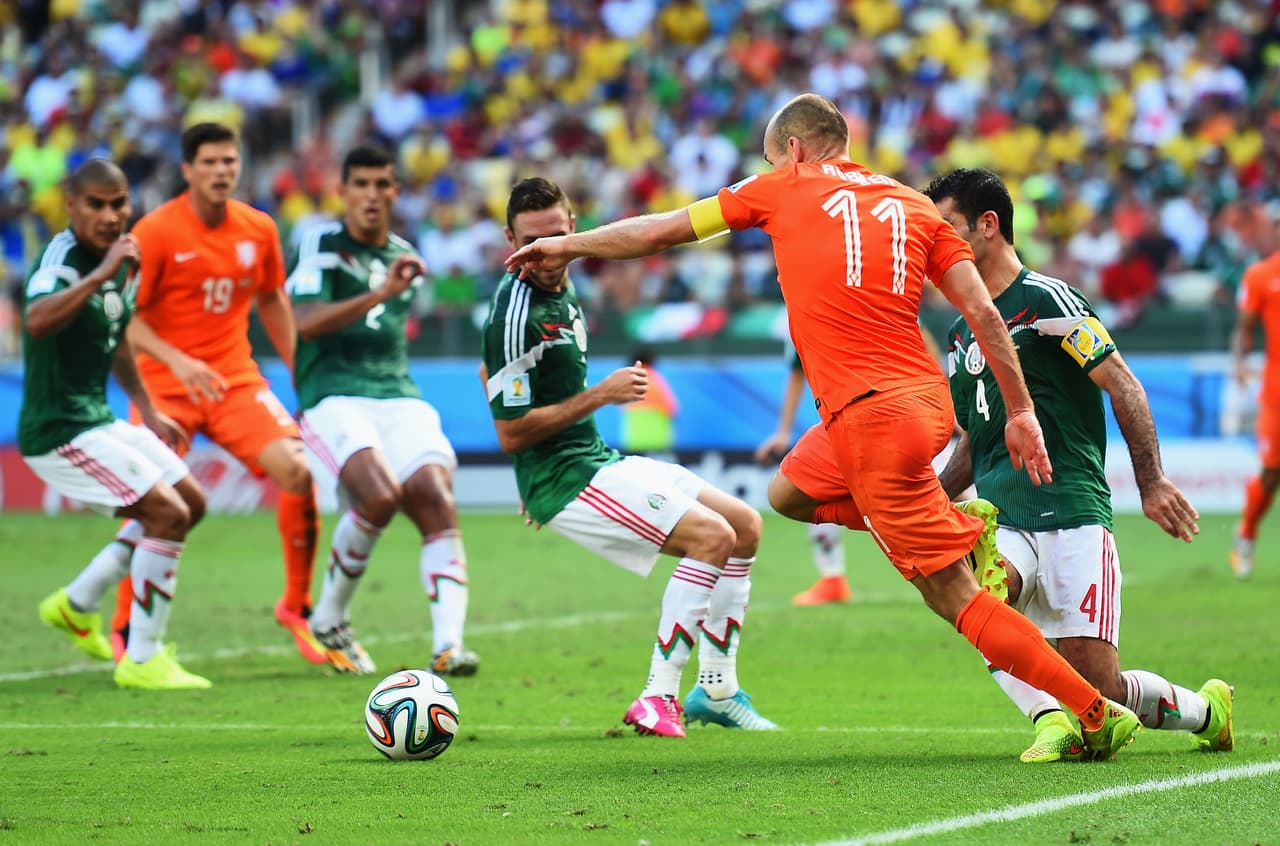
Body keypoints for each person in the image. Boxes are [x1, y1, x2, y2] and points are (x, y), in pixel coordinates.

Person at [504, 93, 1143, 758]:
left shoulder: (784, 185)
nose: (772, 165)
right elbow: (983, 311)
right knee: (786, 493)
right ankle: (957, 523)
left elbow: (660, 230)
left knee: (953, 597)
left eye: (772, 156)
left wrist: (568, 245)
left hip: (872, 417)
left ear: (795, 149)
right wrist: (1018, 411)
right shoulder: (914, 205)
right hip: (919, 404)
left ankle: (1093, 709)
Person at [926, 167, 1232, 761]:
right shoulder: (964, 332)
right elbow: (977, 442)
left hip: (1072, 508)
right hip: (1003, 516)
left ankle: (1206, 711)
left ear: (989, 226)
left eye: (948, 229)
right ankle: (1050, 722)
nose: (937, 244)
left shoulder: (1046, 300)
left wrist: (1152, 482)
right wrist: (931, 497)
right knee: (975, 601)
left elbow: (1124, 386)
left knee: (1101, 687)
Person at [483, 177, 776, 738]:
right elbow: (511, 432)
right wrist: (598, 398)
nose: (543, 253)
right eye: (530, 241)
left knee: (745, 525)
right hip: (566, 477)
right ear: (509, 238)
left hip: (593, 457)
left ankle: (716, 689)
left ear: (573, 226)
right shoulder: (514, 312)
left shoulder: (563, 286)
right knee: (711, 537)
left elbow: (489, 377)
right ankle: (657, 696)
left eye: (554, 236)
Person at [112, 122, 324, 666]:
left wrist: (304, 368)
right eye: (209, 162)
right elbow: (125, 322)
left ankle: (298, 608)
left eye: (230, 161)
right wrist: (180, 363)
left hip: (234, 381)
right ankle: (124, 625)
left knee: (299, 472)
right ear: (187, 170)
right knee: (159, 503)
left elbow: (273, 299)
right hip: (166, 387)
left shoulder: (258, 229)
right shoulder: (156, 232)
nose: (222, 170)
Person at [287, 144, 478, 676]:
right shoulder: (320, 243)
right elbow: (307, 321)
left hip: (398, 393)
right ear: (343, 190)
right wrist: (380, 292)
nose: (372, 195)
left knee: (435, 497)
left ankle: (449, 646)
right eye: (362, 184)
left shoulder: (403, 251)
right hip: (333, 393)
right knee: (379, 496)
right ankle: (329, 618)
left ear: (395, 191)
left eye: (382, 184)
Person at [25, 159, 210, 689]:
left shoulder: (124, 259)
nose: (110, 215)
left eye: (119, 203)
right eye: (97, 205)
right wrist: (101, 273)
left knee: (191, 502)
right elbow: (37, 320)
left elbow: (119, 330)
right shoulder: (62, 259)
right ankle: (142, 658)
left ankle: (76, 603)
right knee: (167, 515)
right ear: (72, 205)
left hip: (94, 417)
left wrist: (146, 406)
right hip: (57, 431)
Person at [753, 344, 850, 605]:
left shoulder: (879, 308)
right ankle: (832, 579)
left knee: (942, 494)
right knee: (817, 492)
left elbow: (922, 345)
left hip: (892, 413)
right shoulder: (807, 316)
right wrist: (783, 431)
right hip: (847, 421)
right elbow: (797, 371)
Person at [1228, 216, 1280, 579]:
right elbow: (1244, 328)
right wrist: (1241, 362)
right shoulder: (1261, 275)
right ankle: (1245, 534)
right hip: (1276, 391)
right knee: (1272, 471)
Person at [620, 346, 679, 454]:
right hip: (657, 440)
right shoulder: (655, 380)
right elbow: (672, 408)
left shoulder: (628, 382)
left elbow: (623, 406)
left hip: (634, 441)